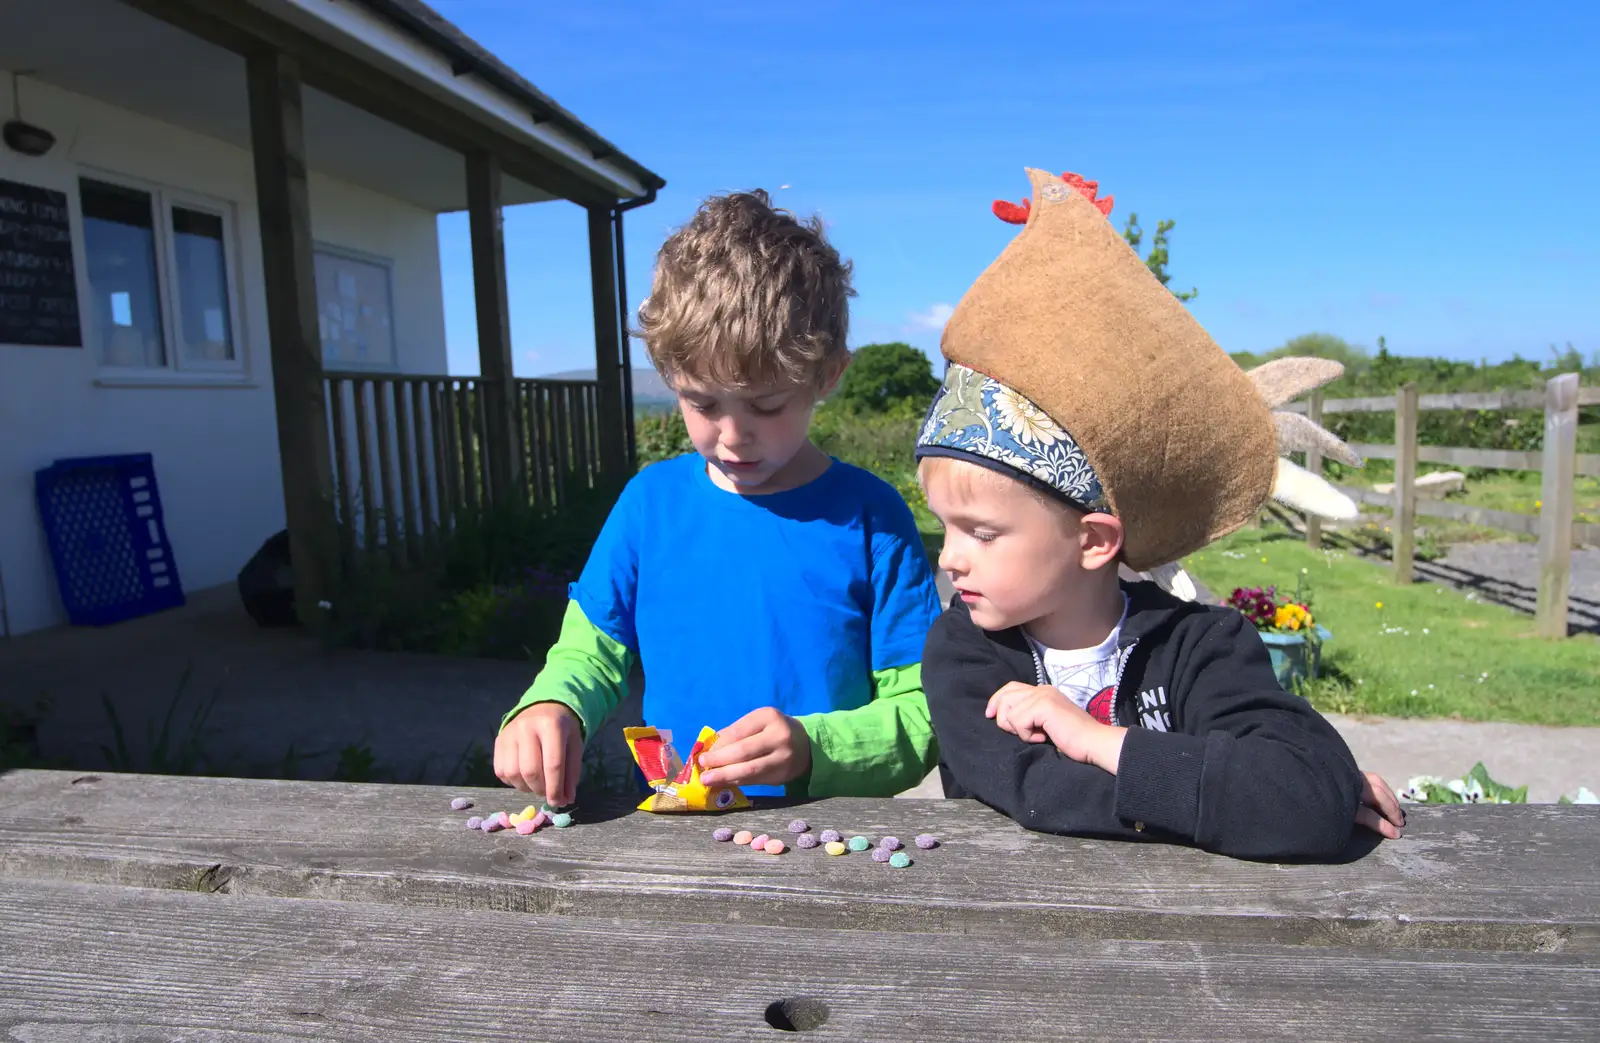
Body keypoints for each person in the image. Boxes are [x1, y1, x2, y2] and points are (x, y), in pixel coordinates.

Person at [914, 168, 1405, 860]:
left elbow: (1306, 794)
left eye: (982, 532)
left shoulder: (1204, 645)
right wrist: (1244, 801)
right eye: (948, 524)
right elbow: (1039, 794)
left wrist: (1098, 740)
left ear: (1093, 541)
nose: (950, 555)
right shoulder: (966, 655)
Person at [493, 189, 942, 808]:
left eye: (765, 406)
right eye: (701, 403)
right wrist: (551, 705)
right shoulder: (650, 505)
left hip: (830, 846)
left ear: (828, 375)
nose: (732, 436)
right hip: (672, 839)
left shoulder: (872, 518)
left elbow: (924, 710)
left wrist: (817, 748)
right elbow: (590, 648)